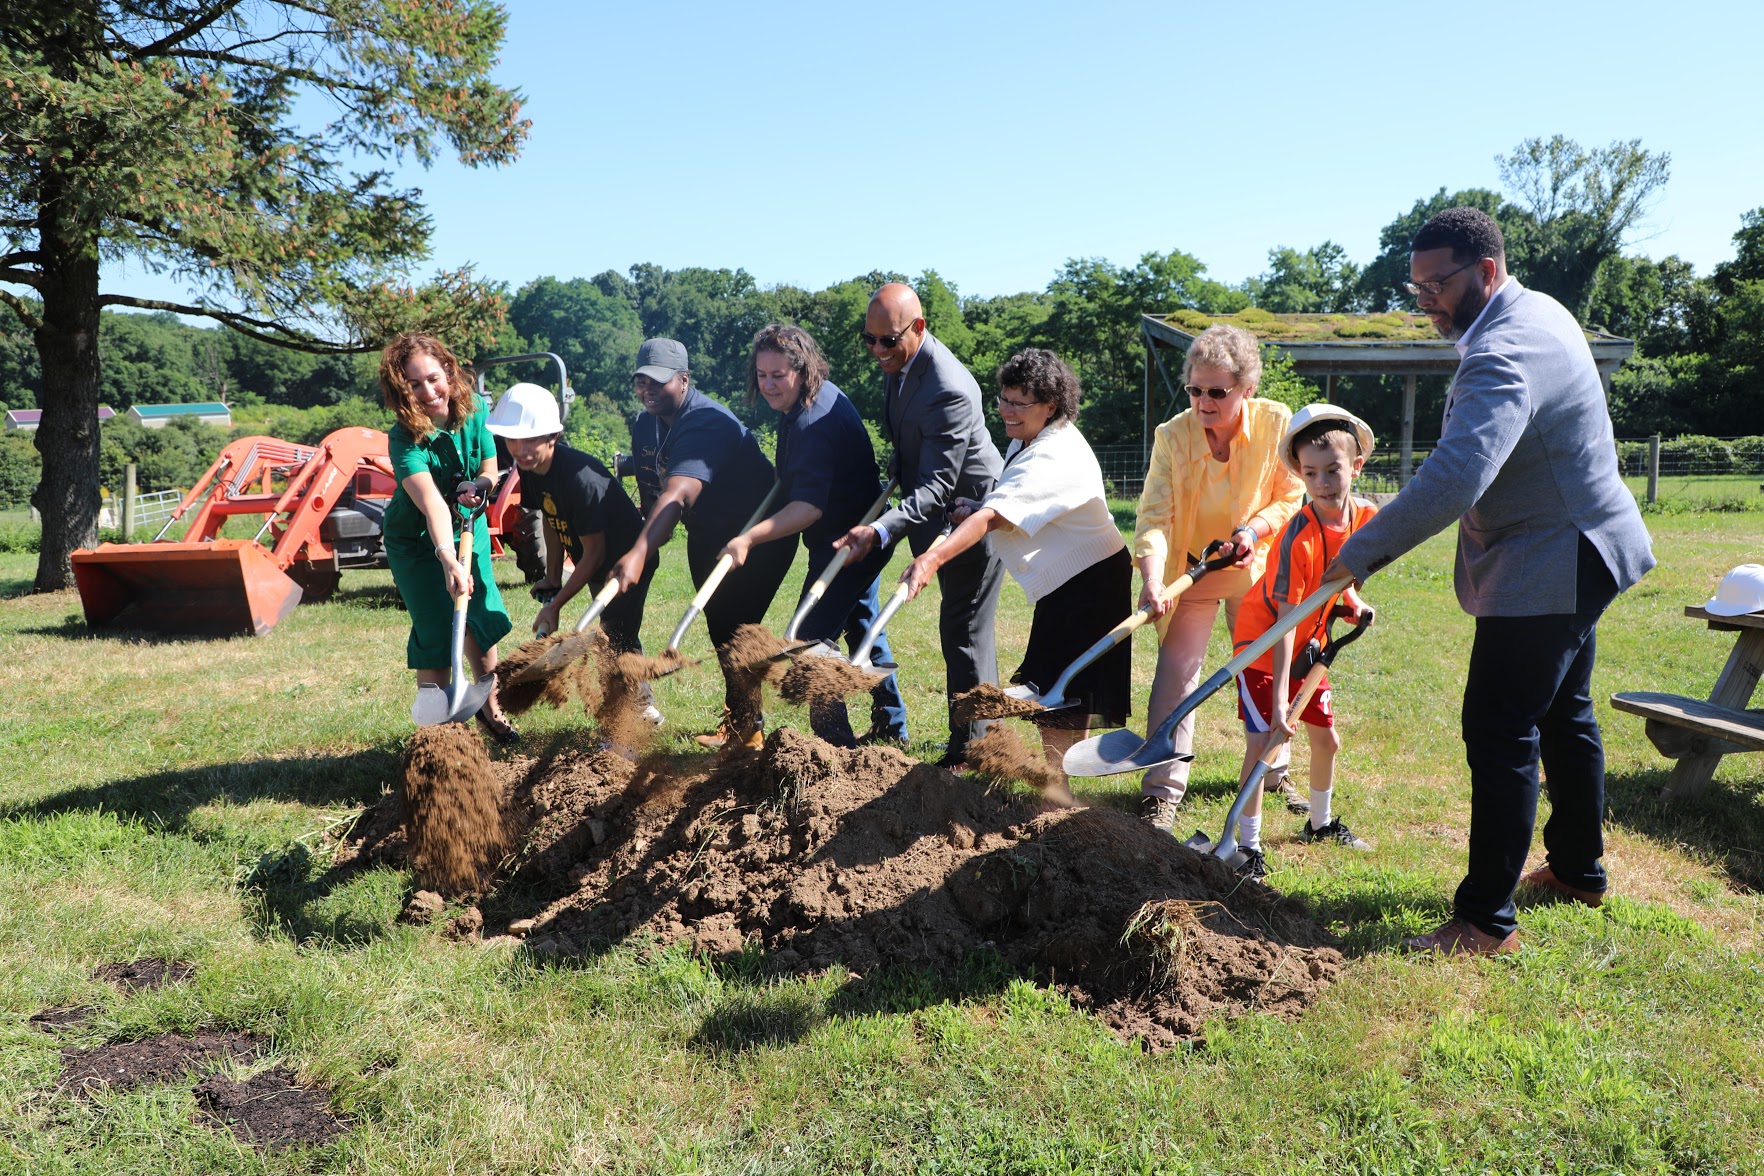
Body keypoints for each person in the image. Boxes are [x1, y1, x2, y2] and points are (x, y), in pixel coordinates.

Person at [1322, 206, 1655, 956]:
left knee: (1502, 727)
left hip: (1555, 556)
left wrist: (1358, 553)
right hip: (1585, 542)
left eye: (1437, 284)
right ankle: (1578, 871)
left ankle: (1483, 921)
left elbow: (1457, 476)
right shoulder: (1538, 310)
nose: (1426, 300)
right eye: (1416, 288)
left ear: (1487, 272)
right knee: (1565, 711)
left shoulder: (1504, 350)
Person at [902, 348, 1130, 794]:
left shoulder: (1053, 453)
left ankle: (1058, 792)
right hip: (1068, 578)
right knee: (1053, 683)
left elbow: (993, 519)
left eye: (1019, 403)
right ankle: (1055, 787)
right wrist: (979, 504)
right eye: (1004, 399)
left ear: (1050, 405)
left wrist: (932, 558)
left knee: (1067, 688)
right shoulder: (1025, 437)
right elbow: (1004, 505)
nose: (1007, 411)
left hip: (1093, 580)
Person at [1132, 324, 1306, 829]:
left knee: (1267, 672)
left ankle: (1274, 771)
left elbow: (1290, 494)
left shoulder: (1277, 424)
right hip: (1192, 569)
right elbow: (1154, 518)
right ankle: (1162, 790)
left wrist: (1253, 529)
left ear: (1246, 389)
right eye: (1194, 389)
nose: (1202, 401)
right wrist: (1151, 576)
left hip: (1256, 566)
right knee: (1177, 677)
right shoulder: (1172, 436)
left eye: (1216, 392)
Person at [833, 283, 1005, 767]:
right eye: (869, 340)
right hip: (933, 512)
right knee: (961, 628)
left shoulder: (946, 386)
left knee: (964, 630)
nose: (877, 351)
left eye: (888, 341)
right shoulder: (900, 365)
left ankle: (971, 749)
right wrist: (896, 469)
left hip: (970, 513)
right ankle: (982, 735)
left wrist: (882, 530)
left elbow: (935, 488)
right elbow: (911, 442)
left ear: (919, 327)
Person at [717, 324, 909, 747]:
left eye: (778, 375)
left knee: (809, 642)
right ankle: (893, 725)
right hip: (861, 531)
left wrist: (748, 539)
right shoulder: (815, 397)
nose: (768, 384)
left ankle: (836, 745)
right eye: (762, 375)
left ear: (802, 371)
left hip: (849, 543)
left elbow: (808, 509)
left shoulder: (811, 422)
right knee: (863, 626)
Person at [609, 337, 795, 750]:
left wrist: (640, 552)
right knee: (720, 628)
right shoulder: (644, 423)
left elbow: (677, 492)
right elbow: (654, 495)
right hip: (707, 533)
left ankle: (750, 734)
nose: (648, 390)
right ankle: (742, 725)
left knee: (739, 630)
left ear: (684, 379)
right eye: (641, 382)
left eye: (658, 382)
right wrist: (645, 540)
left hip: (758, 534)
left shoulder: (707, 421)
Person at [1222, 405, 1380, 877]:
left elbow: (1339, 577)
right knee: (1262, 745)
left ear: (1356, 466)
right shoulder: (1298, 537)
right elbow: (1282, 624)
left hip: (1310, 646)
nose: (1323, 482)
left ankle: (1320, 822)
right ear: (1299, 475)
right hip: (1264, 647)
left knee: (1327, 739)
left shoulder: (1365, 517)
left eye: (1333, 470)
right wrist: (1275, 709)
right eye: (1310, 473)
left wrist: (1352, 602)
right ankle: (1245, 848)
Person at [485, 384, 661, 725]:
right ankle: (638, 700)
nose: (520, 450)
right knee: (615, 631)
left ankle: (638, 713)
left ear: (553, 435)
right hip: (598, 561)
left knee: (616, 634)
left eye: (530, 440)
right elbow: (550, 521)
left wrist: (556, 604)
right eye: (512, 440)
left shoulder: (581, 479)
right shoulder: (531, 469)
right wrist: (552, 575)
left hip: (627, 561)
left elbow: (593, 555)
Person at [378, 332, 517, 743]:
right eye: (414, 385)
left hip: (466, 529)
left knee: (483, 616)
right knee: (437, 627)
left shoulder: (474, 413)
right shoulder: (403, 437)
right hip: (418, 544)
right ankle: (439, 737)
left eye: (433, 378)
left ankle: (490, 710)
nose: (428, 391)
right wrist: (447, 558)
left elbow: (491, 467)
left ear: (450, 373)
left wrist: (482, 484)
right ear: (401, 390)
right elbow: (434, 505)